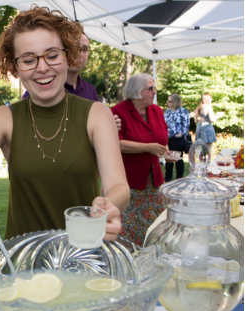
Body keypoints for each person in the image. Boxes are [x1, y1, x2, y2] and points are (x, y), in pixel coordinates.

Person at [0, 6, 129, 241]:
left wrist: (109, 204)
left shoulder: (96, 114)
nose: (42, 68)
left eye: (52, 55)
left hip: (83, 256)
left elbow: (119, 186)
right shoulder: (3, 118)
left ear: (67, 55)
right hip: (24, 264)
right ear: (15, 66)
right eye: (29, 60)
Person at [111, 74, 172, 246]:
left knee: (157, 225)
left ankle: (152, 257)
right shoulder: (118, 111)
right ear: (137, 91)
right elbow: (116, 143)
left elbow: (162, 138)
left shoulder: (157, 111)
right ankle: (129, 260)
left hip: (154, 182)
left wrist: (165, 151)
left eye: (154, 88)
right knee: (129, 228)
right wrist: (148, 147)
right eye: (150, 88)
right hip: (129, 181)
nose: (155, 92)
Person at [22, 29, 122, 131]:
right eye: (73, 47)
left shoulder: (90, 90)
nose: (79, 53)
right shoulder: (42, 87)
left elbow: (94, 130)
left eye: (84, 49)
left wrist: (107, 125)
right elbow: (27, 131)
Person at [164, 94, 189, 182]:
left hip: (177, 138)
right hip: (168, 138)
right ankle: (168, 178)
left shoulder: (182, 111)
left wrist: (181, 134)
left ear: (175, 102)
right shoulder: (167, 111)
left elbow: (186, 124)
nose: (168, 103)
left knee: (178, 159)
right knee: (168, 158)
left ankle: (179, 178)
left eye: (170, 101)